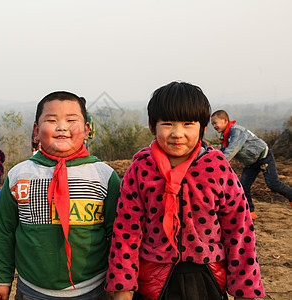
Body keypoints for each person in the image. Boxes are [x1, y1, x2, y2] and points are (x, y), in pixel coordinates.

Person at [106, 82, 264, 300]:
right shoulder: (141, 169)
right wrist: (122, 286)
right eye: (168, 124)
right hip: (152, 279)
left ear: (203, 128)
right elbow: (126, 230)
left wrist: (245, 289)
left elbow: (239, 229)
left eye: (188, 123)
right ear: (153, 126)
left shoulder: (217, 168)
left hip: (207, 276)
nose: (177, 134)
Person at [0, 91, 121, 299]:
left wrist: (119, 282)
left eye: (71, 120)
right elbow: (4, 231)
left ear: (87, 130)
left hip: (93, 289)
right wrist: (1, 279)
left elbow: (118, 233)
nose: (62, 127)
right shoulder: (19, 175)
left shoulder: (103, 175)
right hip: (32, 290)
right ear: (36, 130)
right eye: (52, 120)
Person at [211, 110, 292, 218]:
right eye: (212, 124)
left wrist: (215, 166)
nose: (214, 126)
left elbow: (230, 151)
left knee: (273, 184)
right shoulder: (224, 136)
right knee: (243, 186)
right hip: (250, 162)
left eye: (215, 123)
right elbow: (222, 154)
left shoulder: (236, 131)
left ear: (225, 120)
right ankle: (250, 212)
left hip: (263, 157)